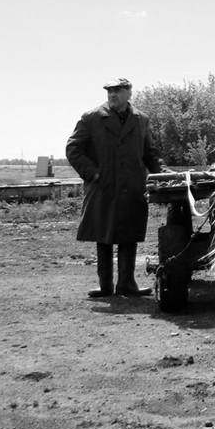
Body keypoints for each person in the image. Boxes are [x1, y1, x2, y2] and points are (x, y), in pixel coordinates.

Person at [66, 78, 170, 297]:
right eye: (109, 91)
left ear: (129, 93)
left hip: (132, 186)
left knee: (128, 234)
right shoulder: (92, 117)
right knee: (103, 235)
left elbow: (150, 153)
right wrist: (92, 172)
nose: (112, 95)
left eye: (117, 91)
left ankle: (127, 283)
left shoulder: (141, 119)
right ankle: (105, 285)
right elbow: (73, 148)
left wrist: (164, 173)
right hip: (103, 186)